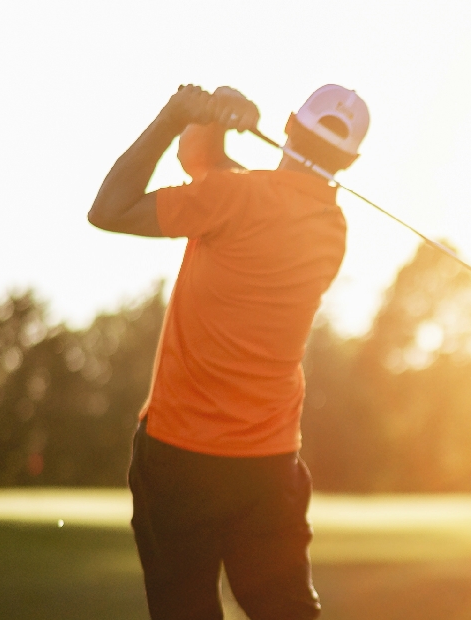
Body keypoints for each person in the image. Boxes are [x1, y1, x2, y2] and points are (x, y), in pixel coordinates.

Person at [88, 83, 371, 620]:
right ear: (351, 161)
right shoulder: (331, 231)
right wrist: (216, 112)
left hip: (180, 456)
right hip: (269, 466)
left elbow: (109, 209)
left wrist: (178, 114)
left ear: (288, 125)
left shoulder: (230, 198)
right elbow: (208, 166)